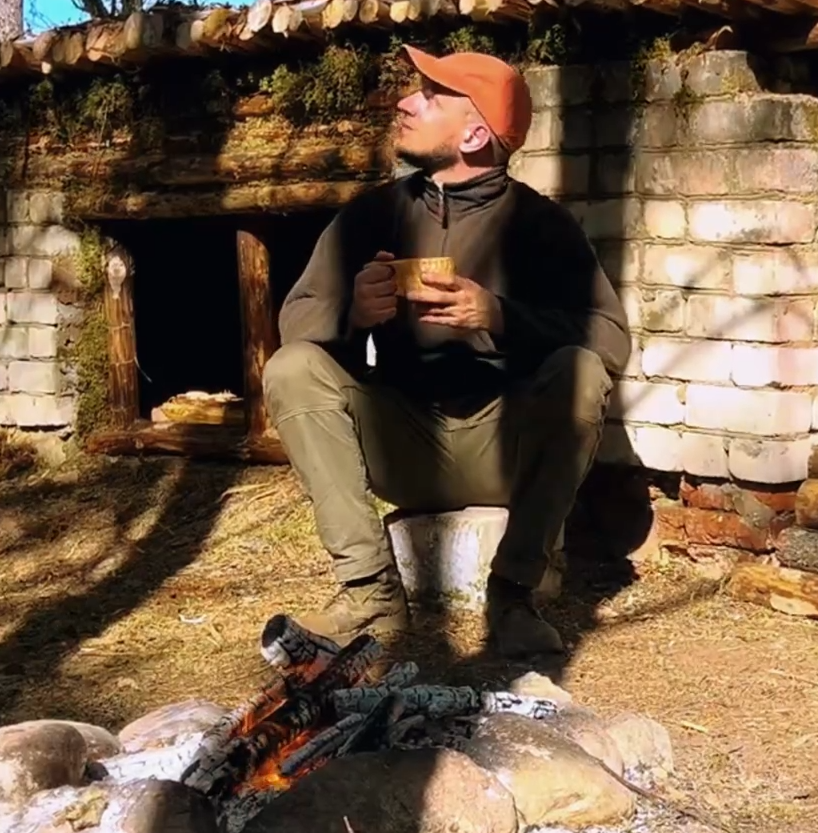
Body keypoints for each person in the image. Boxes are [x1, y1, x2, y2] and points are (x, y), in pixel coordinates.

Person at [262, 43, 631, 657]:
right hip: (401, 442)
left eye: (431, 95)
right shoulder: (369, 216)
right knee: (293, 366)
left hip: (502, 446)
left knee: (582, 370)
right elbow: (296, 317)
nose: (407, 101)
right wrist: (352, 314)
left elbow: (612, 338)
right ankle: (371, 596)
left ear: (475, 134)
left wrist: (499, 316)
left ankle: (513, 597)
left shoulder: (543, 227)